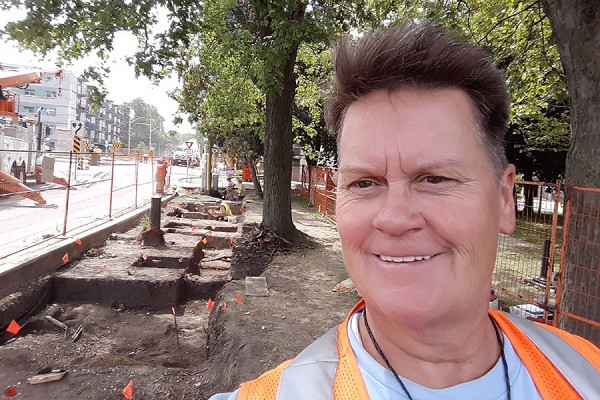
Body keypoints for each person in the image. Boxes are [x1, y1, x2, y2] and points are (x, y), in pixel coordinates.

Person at [209, 21, 600, 400]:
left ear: (503, 199)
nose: (395, 218)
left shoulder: (586, 373)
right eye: (364, 183)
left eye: (434, 179)